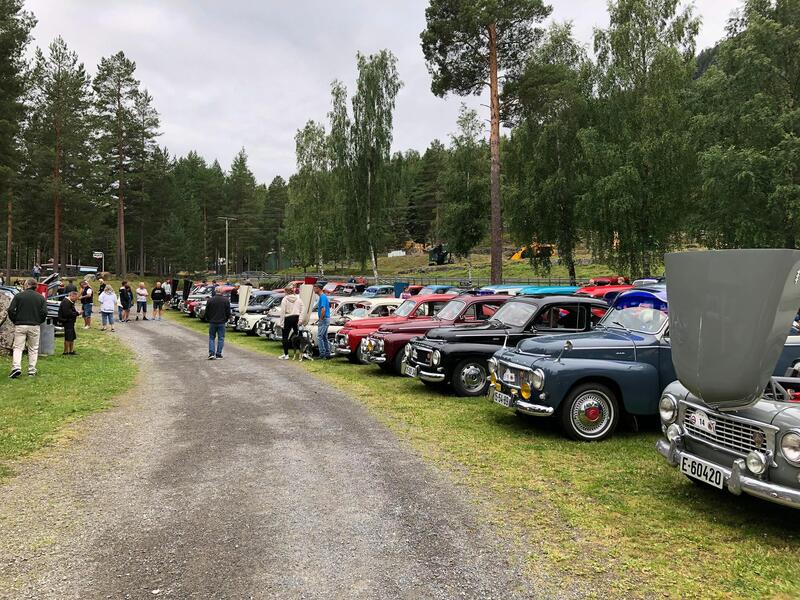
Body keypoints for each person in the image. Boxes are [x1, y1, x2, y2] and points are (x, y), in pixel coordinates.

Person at [7, 278, 47, 378]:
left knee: (18, 347)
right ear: (35, 286)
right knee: (33, 348)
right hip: (34, 325)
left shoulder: (19, 296)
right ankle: (31, 370)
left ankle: (16, 367)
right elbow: (44, 312)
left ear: (27, 285)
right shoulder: (40, 297)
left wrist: (15, 320)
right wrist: (39, 321)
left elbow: (11, 310)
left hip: (20, 324)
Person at [278, 285, 304, 360]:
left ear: (286, 291)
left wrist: (281, 323)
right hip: (296, 317)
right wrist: (300, 320)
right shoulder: (298, 299)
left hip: (288, 318)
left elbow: (282, 312)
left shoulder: (285, 299)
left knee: (285, 337)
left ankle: (286, 354)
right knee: (298, 335)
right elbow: (302, 309)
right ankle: (301, 353)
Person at [204, 287, 231, 360]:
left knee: (211, 338)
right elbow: (228, 312)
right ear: (222, 292)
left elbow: (207, 311)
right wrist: (226, 319)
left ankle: (211, 353)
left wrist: (208, 319)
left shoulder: (210, 300)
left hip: (212, 321)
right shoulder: (226, 300)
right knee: (221, 338)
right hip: (222, 321)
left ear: (215, 291)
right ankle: (218, 354)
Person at [314, 283, 332, 359]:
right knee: (324, 337)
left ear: (318, 288)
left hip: (324, 319)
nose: (314, 289)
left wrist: (321, 319)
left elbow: (323, 309)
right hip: (325, 319)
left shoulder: (322, 297)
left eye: (315, 288)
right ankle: (327, 353)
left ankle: (322, 354)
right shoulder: (322, 297)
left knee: (319, 337)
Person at [59, 289, 79, 355]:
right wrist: (77, 313)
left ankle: (71, 351)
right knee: (68, 337)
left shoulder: (69, 302)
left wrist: (75, 313)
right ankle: (65, 351)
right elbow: (67, 313)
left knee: (72, 336)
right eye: (75, 298)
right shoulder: (66, 302)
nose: (76, 300)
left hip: (70, 321)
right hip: (67, 321)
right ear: (72, 296)